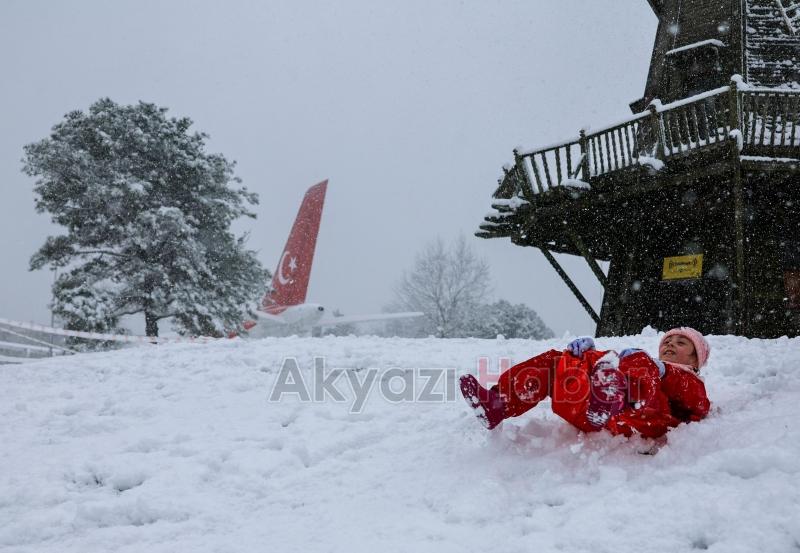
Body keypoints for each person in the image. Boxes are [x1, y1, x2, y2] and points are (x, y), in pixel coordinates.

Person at [460, 327, 711, 439]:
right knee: (554, 361)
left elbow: (697, 405)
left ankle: (613, 400)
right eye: (668, 340)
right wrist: (584, 355)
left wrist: (663, 371)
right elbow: (609, 366)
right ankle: (498, 404)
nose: (670, 344)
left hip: (640, 418)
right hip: (591, 410)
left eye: (681, 343)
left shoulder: (690, 381)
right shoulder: (645, 366)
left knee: (636, 360)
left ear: (695, 359)